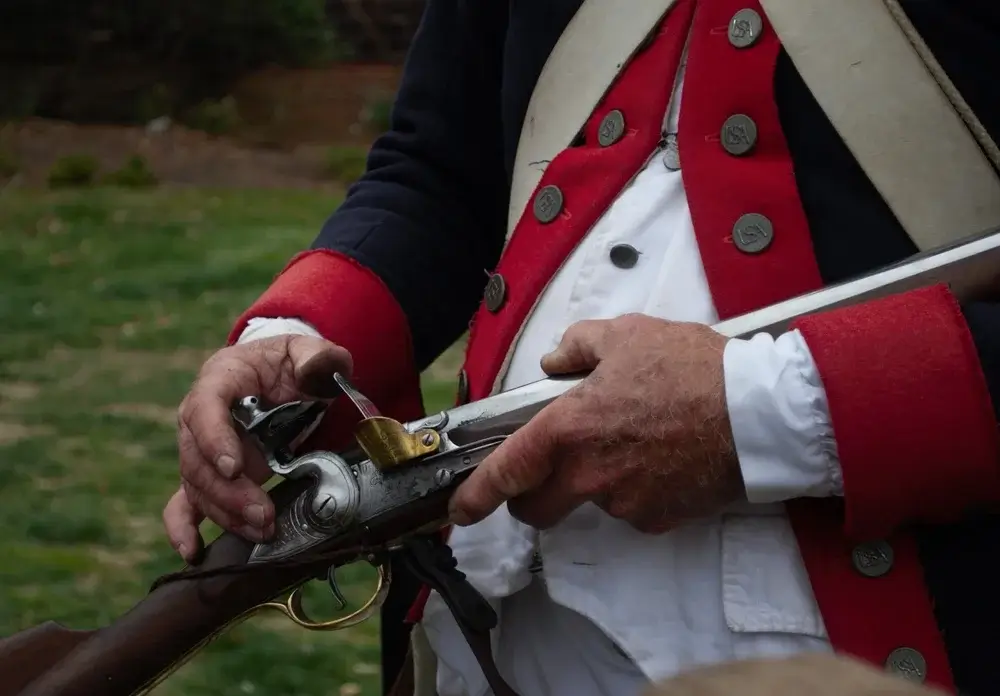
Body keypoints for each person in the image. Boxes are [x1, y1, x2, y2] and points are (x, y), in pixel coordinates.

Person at [163, 1, 1000, 695]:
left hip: (857, 635)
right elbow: (439, 172)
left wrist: (758, 412)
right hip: (488, 622)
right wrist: (293, 338)